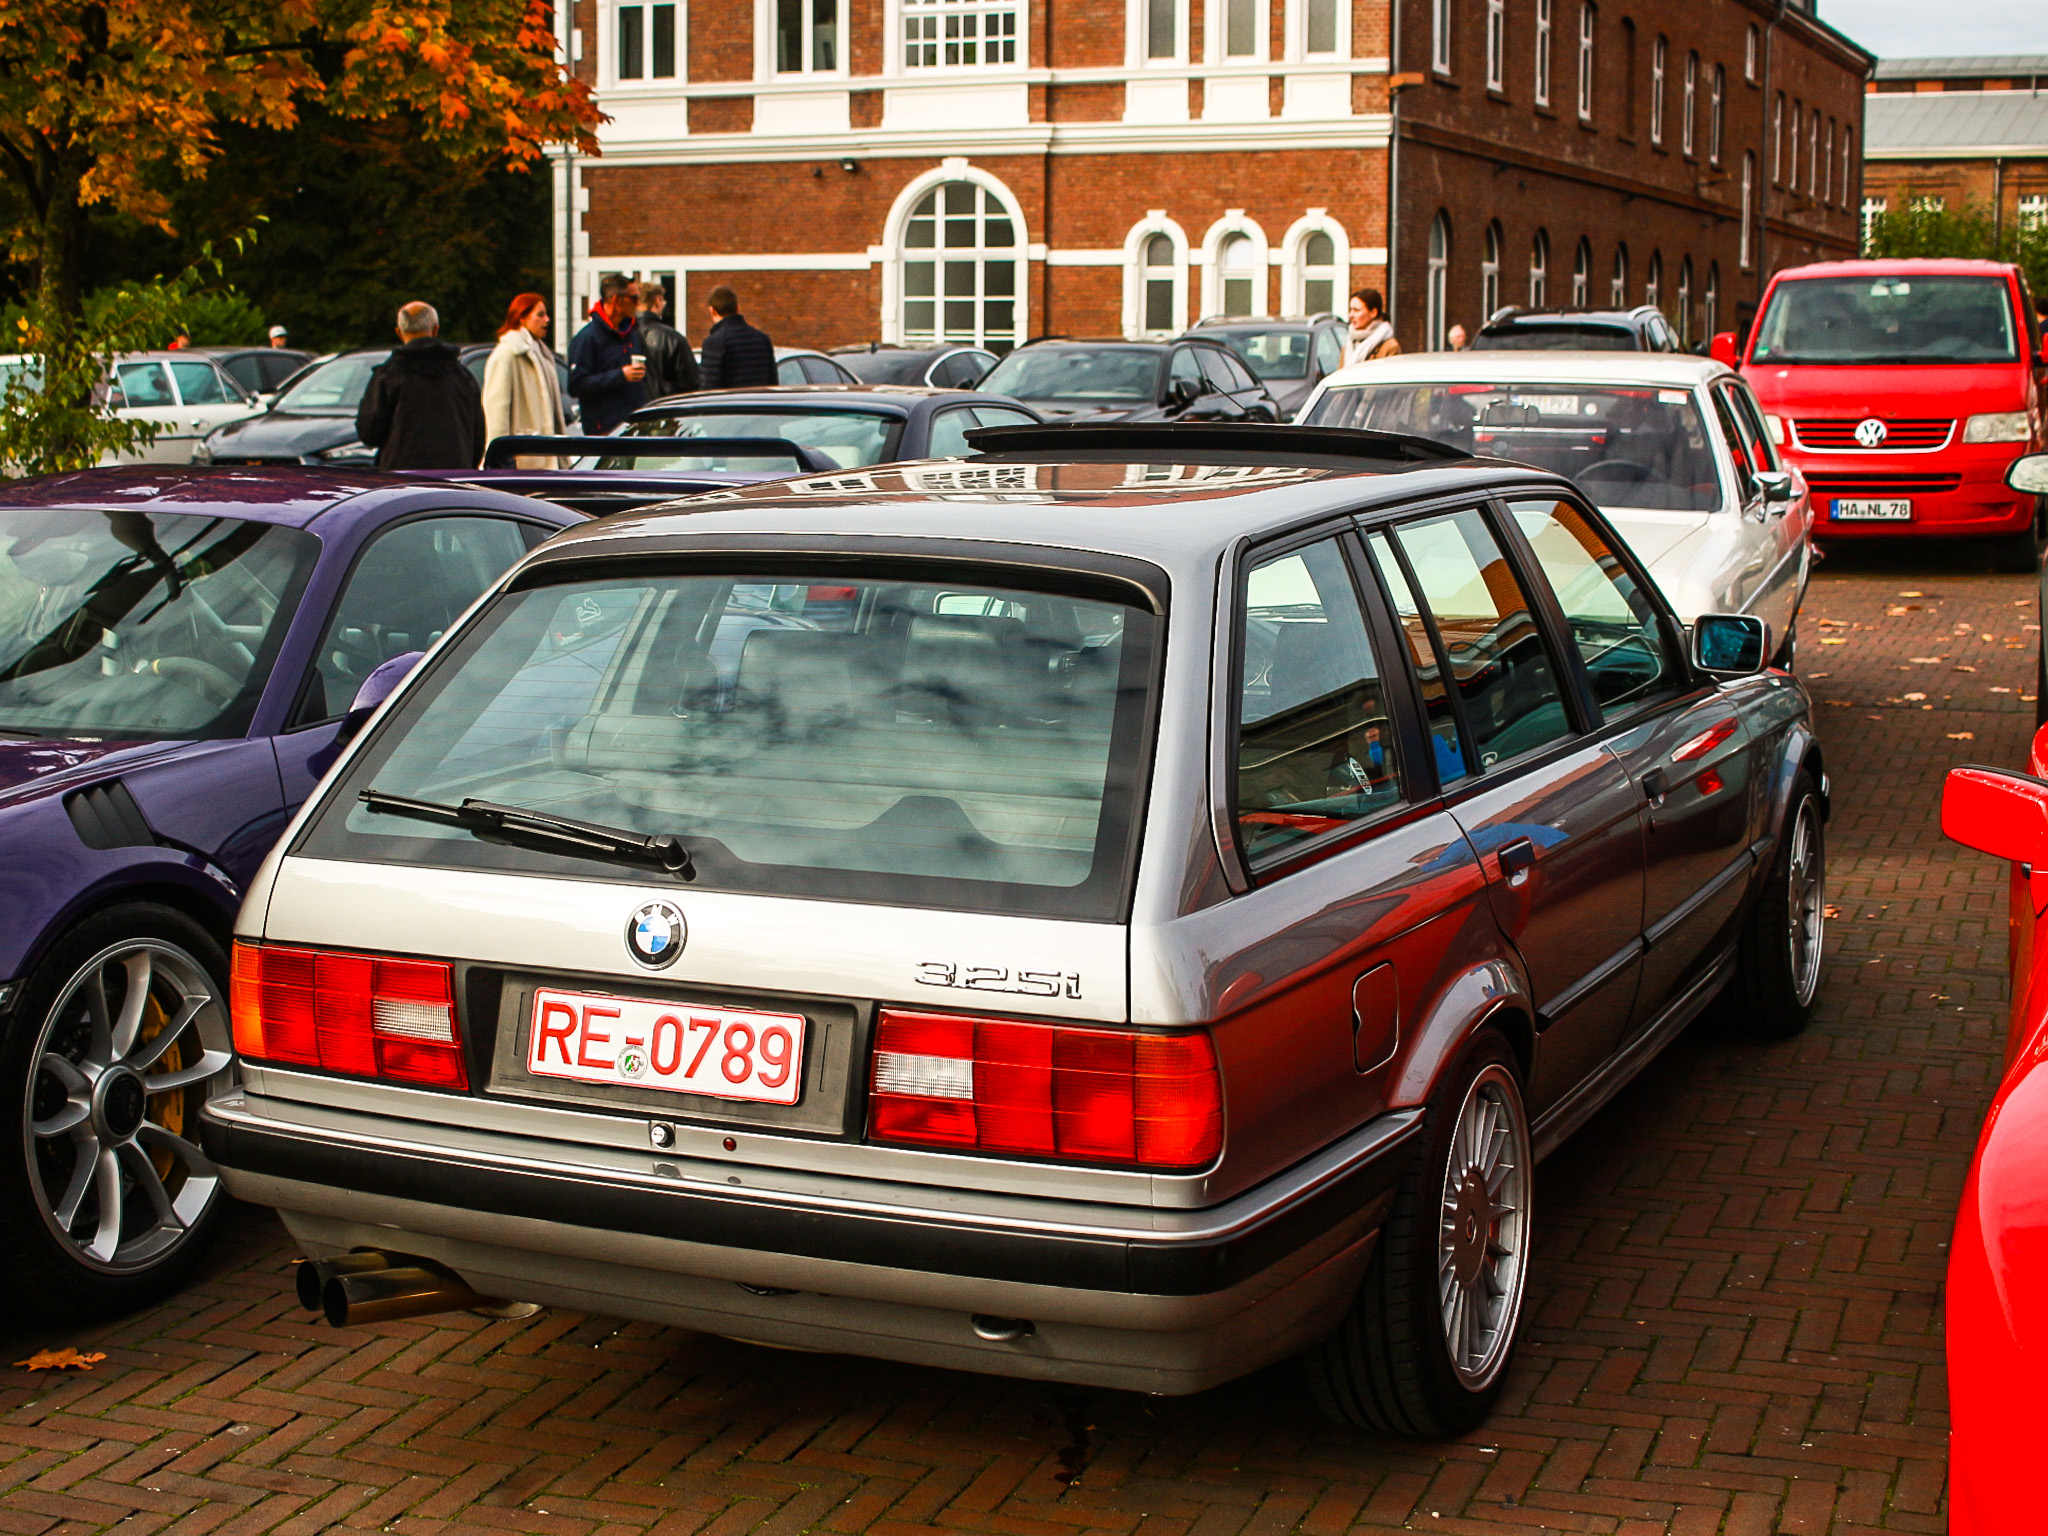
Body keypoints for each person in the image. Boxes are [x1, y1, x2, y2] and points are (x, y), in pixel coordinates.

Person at [355, 301, 487, 470]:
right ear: (435, 329)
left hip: (402, 478)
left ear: (399, 333)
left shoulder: (389, 375)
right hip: (454, 476)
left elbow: (370, 433)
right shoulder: (463, 377)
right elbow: (477, 436)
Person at [482, 293, 568, 469]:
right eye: (540, 314)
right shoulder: (507, 353)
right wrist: (498, 459)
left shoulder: (542, 353)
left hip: (542, 457)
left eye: (546, 314)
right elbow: (496, 414)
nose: (547, 320)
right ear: (522, 317)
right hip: (523, 462)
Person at [568, 272, 648, 434]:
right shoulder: (588, 338)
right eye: (633, 298)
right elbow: (576, 385)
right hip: (604, 432)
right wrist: (621, 375)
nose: (638, 304)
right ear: (617, 300)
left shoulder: (633, 333)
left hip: (633, 427)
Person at [698, 285, 776, 389]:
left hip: (730, 404)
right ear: (737, 308)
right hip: (760, 403)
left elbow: (709, 388)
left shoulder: (714, 343)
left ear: (712, 310)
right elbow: (772, 382)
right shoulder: (763, 339)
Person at [636, 280, 699, 399]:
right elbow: (691, 382)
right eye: (663, 301)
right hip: (666, 408)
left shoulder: (623, 336)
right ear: (657, 301)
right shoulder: (672, 338)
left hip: (632, 411)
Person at [1346, 289, 1400, 365]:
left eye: (1356, 310)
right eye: (1350, 310)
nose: (1351, 315)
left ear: (1373, 312)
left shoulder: (1390, 347)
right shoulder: (1349, 343)